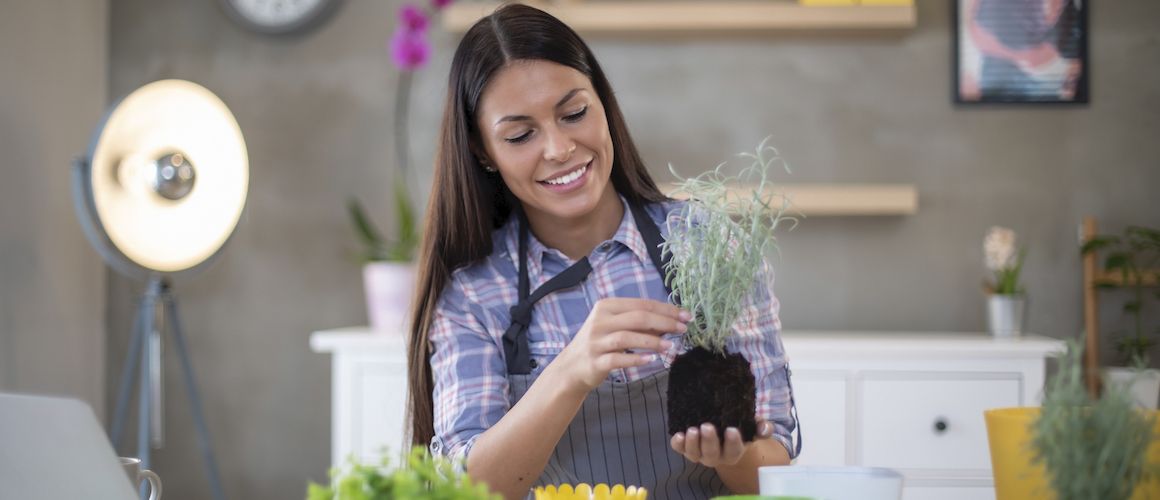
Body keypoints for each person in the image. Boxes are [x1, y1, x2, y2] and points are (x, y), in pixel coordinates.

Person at [405, 4, 798, 498]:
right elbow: (465, 488)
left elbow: (778, 468)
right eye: (520, 135)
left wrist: (736, 455)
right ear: (484, 151)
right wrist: (571, 369)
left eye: (574, 114)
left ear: (604, 105)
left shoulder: (709, 247)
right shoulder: (475, 293)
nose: (559, 148)